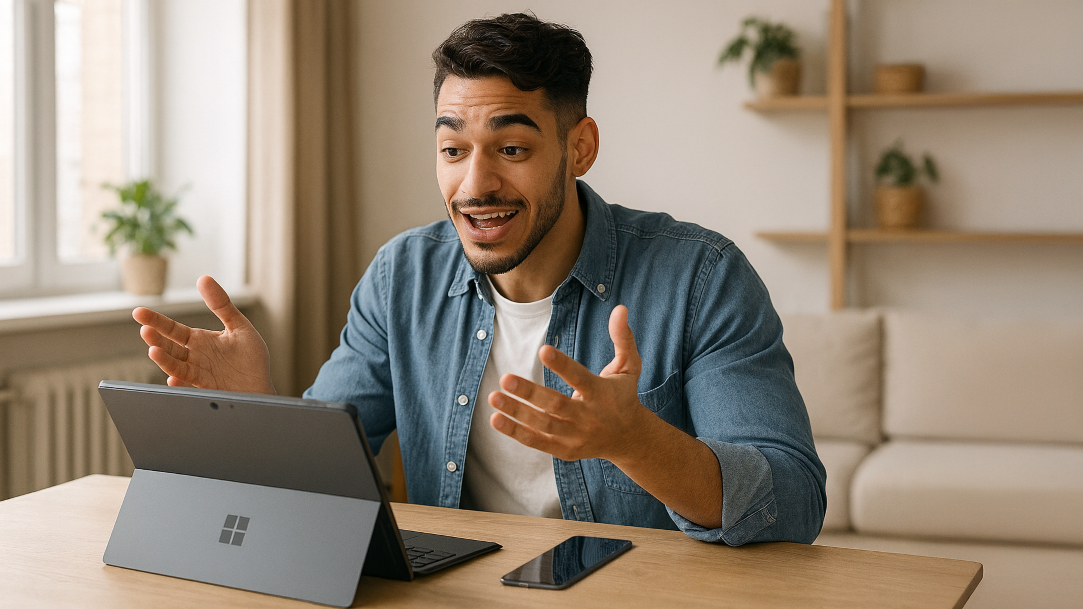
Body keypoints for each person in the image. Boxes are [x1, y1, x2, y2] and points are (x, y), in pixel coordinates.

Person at [134, 13, 825, 546]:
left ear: (578, 147)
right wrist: (259, 408)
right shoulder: (401, 276)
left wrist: (634, 441)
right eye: (451, 149)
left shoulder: (701, 277)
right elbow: (323, 478)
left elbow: (791, 501)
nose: (475, 184)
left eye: (513, 148)